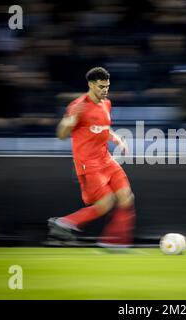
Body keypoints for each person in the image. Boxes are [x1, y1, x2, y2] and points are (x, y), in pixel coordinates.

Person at [48, 67, 135, 247]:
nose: (105, 90)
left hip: (106, 159)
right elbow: (61, 134)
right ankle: (64, 223)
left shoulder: (106, 104)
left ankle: (114, 242)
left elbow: (102, 127)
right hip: (89, 164)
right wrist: (69, 122)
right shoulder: (78, 106)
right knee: (106, 203)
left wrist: (115, 137)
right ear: (90, 85)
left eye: (107, 86)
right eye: (101, 86)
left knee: (126, 197)